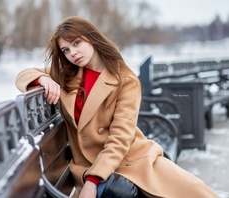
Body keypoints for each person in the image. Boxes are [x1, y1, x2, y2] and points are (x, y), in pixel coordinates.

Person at [15, 16, 219, 198]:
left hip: (128, 161)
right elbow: (23, 75)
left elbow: (121, 136)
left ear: (92, 38)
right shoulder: (68, 75)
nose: (73, 53)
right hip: (89, 167)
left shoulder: (125, 80)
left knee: (196, 192)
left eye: (77, 43)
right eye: (66, 50)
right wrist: (43, 79)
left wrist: (93, 181)